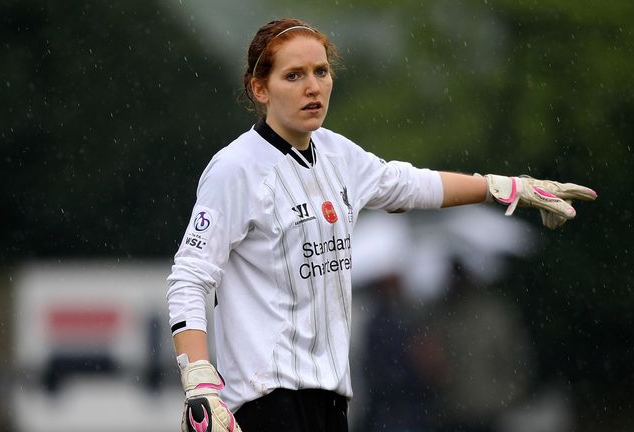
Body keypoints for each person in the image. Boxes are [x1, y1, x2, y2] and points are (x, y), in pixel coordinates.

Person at [166, 17, 597, 432]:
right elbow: (189, 277)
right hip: (266, 403)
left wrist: (504, 187)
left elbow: (411, 185)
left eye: (321, 71)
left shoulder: (338, 154)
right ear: (259, 88)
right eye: (293, 75)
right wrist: (198, 379)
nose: (313, 86)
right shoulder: (235, 169)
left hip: (331, 400)